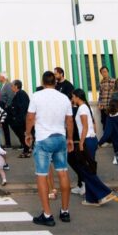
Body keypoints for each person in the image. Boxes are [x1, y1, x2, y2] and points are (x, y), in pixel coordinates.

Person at [26, 72, 74, 225]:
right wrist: (70, 138)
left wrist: (28, 134)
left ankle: (47, 215)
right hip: (60, 137)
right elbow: (69, 120)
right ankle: (65, 211)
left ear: (42, 81)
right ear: (55, 82)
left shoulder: (36, 96)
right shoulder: (64, 97)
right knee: (63, 173)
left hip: (43, 138)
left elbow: (30, 117)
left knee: (42, 175)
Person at [70, 89, 115, 206]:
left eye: (73, 97)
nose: (72, 100)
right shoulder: (85, 107)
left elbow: (85, 126)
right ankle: (92, 198)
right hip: (90, 139)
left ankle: (103, 192)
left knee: (86, 170)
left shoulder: (82, 108)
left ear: (77, 97)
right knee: (88, 168)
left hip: (87, 140)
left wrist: (81, 142)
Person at [9, 80, 31, 157]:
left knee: (22, 135)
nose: (11, 87)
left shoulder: (21, 94)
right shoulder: (18, 94)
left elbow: (22, 107)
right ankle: (27, 149)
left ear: (16, 86)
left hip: (21, 120)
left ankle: (26, 151)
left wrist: (17, 118)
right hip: (20, 119)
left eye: (12, 85)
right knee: (22, 135)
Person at [0, 73, 15, 147]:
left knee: (10, 125)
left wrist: (7, 105)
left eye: (0, 77)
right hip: (3, 108)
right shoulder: (3, 85)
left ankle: (9, 143)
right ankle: (8, 143)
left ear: (3, 77)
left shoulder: (8, 85)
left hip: (7, 109)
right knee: (5, 125)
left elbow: (10, 96)